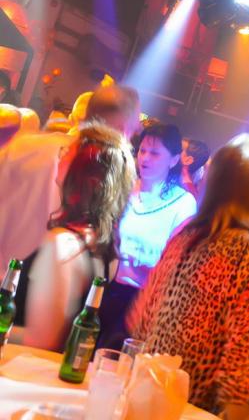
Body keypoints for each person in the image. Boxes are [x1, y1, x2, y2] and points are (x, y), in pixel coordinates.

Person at [127, 134, 249, 419]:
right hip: (194, 409)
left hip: (147, 395)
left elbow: (140, 321)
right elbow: (244, 360)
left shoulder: (188, 234)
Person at [11, 122, 136, 350]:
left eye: (68, 151)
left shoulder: (62, 245)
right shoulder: (103, 245)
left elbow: (42, 341)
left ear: (84, 174)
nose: (60, 156)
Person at [0, 85, 140, 269]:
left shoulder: (22, 147)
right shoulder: (108, 178)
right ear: (122, 129)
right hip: (46, 281)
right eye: (134, 129)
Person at [99, 122, 196, 348]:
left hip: (141, 301)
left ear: (173, 160)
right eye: (142, 150)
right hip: (107, 289)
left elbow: (177, 266)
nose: (145, 158)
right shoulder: (125, 188)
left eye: (155, 153)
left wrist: (141, 259)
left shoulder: (183, 203)